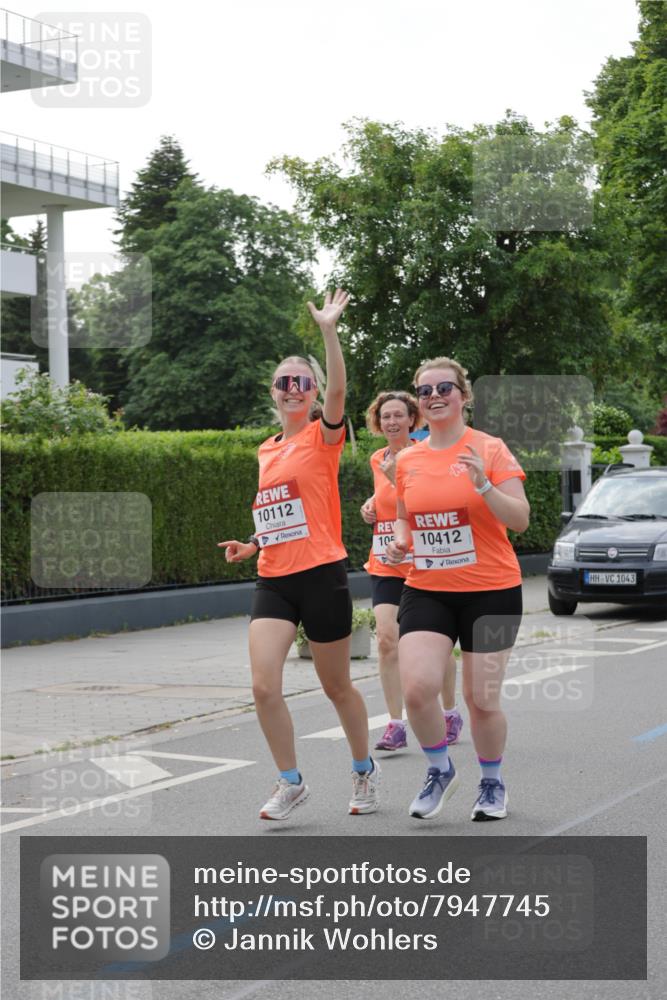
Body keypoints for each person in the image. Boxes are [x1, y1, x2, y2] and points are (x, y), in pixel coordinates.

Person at [218, 290, 380, 821]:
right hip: (274, 578)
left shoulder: (321, 437)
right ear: (273, 392)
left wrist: (328, 331)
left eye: (301, 383)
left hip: (322, 574)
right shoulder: (266, 449)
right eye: (285, 383)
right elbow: (282, 512)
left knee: (336, 686)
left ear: (312, 394)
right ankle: (290, 782)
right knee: (264, 684)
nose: (293, 389)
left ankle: (363, 769)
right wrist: (254, 541)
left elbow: (340, 389)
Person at [385, 356, 529, 821]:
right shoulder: (408, 459)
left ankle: (491, 783)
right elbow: (407, 516)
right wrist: (400, 544)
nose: (434, 398)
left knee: (481, 699)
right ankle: (440, 769)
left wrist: (484, 485)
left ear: (463, 396)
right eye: (425, 392)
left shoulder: (490, 449)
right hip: (428, 588)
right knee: (417, 690)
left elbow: (520, 520)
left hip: (492, 591)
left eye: (444, 389)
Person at [360, 391, 463, 752]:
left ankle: (449, 711)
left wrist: (393, 479)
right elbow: (387, 502)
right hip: (385, 561)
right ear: (378, 421)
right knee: (387, 640)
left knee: (438, 644)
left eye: (398, 416)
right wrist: (369, 507)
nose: (391, 422)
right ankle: (395, 724)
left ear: (411, 420)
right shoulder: (378, 459)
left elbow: (425, 500)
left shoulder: (422, 453)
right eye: (385, 416)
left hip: (423, 561)